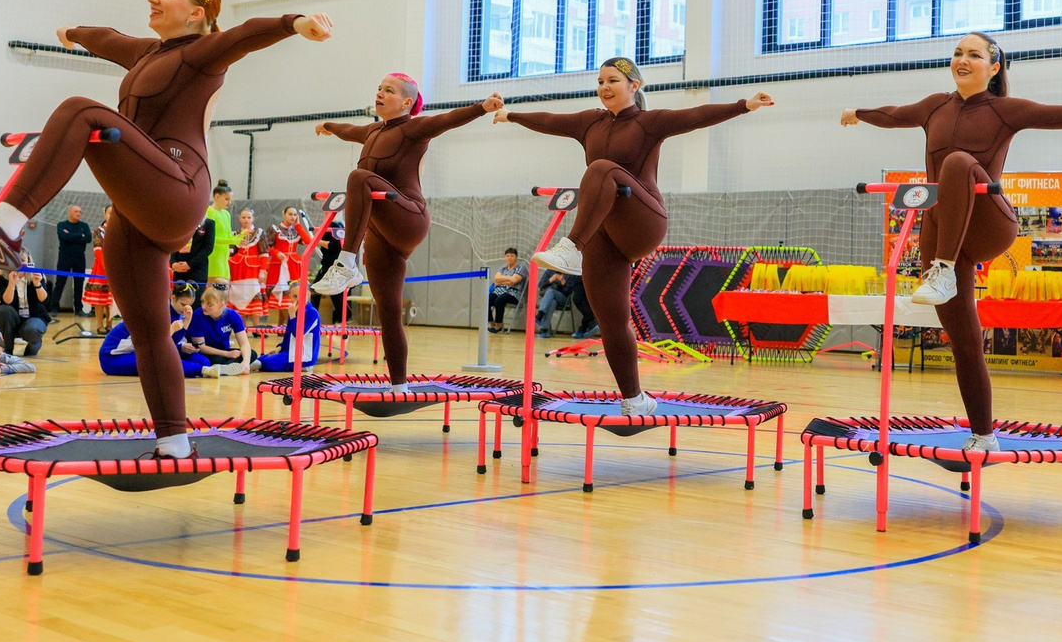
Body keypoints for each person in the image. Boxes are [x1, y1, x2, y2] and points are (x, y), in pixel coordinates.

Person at [0, 0, 333, 458]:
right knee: (149, 331)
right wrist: (73, 34)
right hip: (137, 208)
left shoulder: (203, 52)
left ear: (197, 12)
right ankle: (174, 439)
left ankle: (1, 231)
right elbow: (108, 38)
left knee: (81, 111)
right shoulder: (146, 53)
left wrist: (295, 23)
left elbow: (246, 34)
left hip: (179, 188)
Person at [842, 31, 1062, 454]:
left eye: (974, 55)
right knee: (964, 341)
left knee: (958, 162)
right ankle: (984, 436)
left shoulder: (1004, 111)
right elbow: (894, 114)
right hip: (942, 227)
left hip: (988, 223)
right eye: (957, 53)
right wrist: (858, 112)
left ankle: (943, 271)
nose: (962, 60)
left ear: (994, 67)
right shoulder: (935, 106)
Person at [499, 57, 773, 415]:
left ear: (634, 85)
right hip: (604, 231)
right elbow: (550, 120)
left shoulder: (649, 122)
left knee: (600, 168)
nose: (604, 87)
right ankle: (635, 399)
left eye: (613, 80)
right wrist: (511, 115)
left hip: (643, 220)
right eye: (600, 81)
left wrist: (744, 105)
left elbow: (696, 115)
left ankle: (571, 248)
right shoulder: (589, 122)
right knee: (612, 320)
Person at [310, 75, 503, 389]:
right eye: (379, 88)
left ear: (407, 102)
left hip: (409, 216)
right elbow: (349, 130)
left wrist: (481, 107)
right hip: (379, 230)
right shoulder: (372, 131)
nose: (380, 93)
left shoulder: (414, 129)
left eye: (389, 90)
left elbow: (448, 119)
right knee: (388, 310)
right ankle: (399, 384)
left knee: (359, 177)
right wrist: (328, 126)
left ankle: (346, 264)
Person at [180, 286, 250, 377]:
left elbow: (244, 343)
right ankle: (229, 367)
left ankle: (236, 367)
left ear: (221, 305)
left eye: (209, 305)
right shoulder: (197, 316)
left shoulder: (233, 315)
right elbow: (201, 347)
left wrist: (246, 362)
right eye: (203, 302)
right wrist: (227, 354)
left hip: (224, 351)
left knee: (251, 354)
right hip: (207, 353)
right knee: (210, 361)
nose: (204, 306)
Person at [0, 268, 51, 356]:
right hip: (13, 318)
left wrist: (37, 285)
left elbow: (45, 300)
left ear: (28, 262)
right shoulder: (3, 277)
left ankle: (33, 345)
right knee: (3, 310)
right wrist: (11, 284)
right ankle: (8, 350)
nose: (20, 264)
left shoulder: (36, 274)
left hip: (34, 317)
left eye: (23, 261)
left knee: (32, 329)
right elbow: (6, 301)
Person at [54, 204, 92, 314]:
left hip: (79, 258)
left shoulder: (84, 225)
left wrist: (70, 235)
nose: (79, 214)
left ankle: (78, 308)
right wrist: (80, 235)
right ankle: (54, 307)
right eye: (76, 211)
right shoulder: (62, 225)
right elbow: (63, 236)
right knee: (60, 282)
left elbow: (88, 238)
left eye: (80, 212)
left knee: (79, 283)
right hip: (64, 257)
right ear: (70, 213)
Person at [204, 183, 234, 290]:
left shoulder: (226, 214)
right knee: (213, 291)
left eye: (230, 199)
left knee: (225, 291)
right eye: (226, 199)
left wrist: (241, 236)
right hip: (214, 255)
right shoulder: (209, 212)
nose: (229, 202)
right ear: (217, 196)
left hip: (224, 257)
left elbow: (229, 237)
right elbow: (210, 238)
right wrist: (235, 241)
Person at [487, 247, 525, 332]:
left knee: (499, 300)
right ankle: (492, 323)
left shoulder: (520, 268)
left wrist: (501, 280)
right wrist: (509, 278)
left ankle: (499, 325)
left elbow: (513, 281)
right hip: (499, 291)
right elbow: (496, 279)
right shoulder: (503, 268)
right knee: (487, 300)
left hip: (513, 293)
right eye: (507, 256)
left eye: (512, 256)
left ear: (516, 257)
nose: (509, 258)